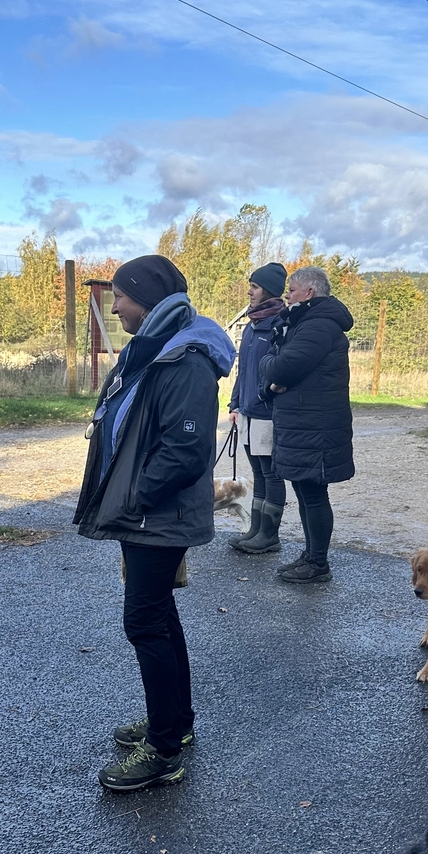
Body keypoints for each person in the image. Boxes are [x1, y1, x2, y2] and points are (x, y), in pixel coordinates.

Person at [72, 254, 236, 793]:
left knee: (144, 621)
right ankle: (176, 724)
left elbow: (187, 449)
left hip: (157, 515)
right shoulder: (153, 348)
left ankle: (163, 750)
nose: (114, 304)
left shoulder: (182, 359)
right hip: (147, 513)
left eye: (120, 295)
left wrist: (134, 496)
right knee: (159, 616)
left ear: (147, 296)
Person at [259, 266, 355, 583]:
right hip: (305, 425)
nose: (287, 294)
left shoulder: (318, 326)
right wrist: (271, 380)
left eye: (292, 288)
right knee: (305, 492)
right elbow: (278, 367)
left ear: (310, 293)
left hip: (315, 428)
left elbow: (283, 366)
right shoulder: (305, 324)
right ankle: (312, 556)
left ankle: (318, 563)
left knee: (313, 494)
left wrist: (268, 368)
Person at [226, 262, 289, 555]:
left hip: (268, 413)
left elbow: (281, 371)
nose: (249, 291)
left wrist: (267, 397)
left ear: (269, 291)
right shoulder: (251, 327)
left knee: (271, 473)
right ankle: (255, 529)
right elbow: (243, 371)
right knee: (258, 472)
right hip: (248, 411)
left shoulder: (280, 325)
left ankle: (269, 535)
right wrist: (235, 403)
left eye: (255, 286)